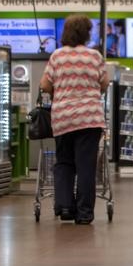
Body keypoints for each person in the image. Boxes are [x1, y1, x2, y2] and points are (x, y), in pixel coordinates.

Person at [40, 14, 110, 225]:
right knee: (86, 166)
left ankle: (65, 207)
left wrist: (60, 91)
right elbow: (105, 83)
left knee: (64, 162)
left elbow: (45, 85)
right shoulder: (95, 56)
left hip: (63, 118)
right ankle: (84, 213)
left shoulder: (57, 56)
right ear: (86, 33)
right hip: (90, 119)